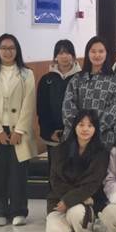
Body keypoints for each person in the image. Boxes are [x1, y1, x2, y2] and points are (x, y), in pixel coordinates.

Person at [0, 34, 37, 227]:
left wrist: (20, 130)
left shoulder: (26, 74)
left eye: (11, 48)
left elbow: (29, 103)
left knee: (18, 173)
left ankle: (19, 211)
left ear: (17, 50)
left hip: (18, 130)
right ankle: (0, 211)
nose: (7, 51)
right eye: (3, 48)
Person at [46, 110, 109, 232]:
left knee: (76, 211)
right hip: (59, 200)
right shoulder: (60, 150)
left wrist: (70, 200)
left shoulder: (101, 153)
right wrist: (66, 200)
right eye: (81, 125)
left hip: (84, 201)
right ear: (74, 127)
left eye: (90, 125)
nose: (85, 129)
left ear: (95, 129)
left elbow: (92, 183)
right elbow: (55, 181)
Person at [63, 36, 116, 147]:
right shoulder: (77, 78)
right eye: (93, 51)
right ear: (88, 53)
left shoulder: (115, 80)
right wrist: (81, 128)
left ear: (107, 53)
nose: (97, 55)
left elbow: (115, 109)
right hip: (77, 139)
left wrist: (93, 130)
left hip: (103, 138)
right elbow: (68, 105)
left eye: (101, 51)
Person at [37, 40, 81, 168]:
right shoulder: (46, 80)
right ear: (55, 56)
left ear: (73, 56)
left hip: (77, 136)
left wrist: (76, 131)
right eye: (60, 53)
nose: (64, 56)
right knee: (55, 172)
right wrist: (50, 132)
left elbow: (84, 108)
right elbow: (42, 110)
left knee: (76, 171)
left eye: (68, 52)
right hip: (54, 137)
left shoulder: (82, 78)